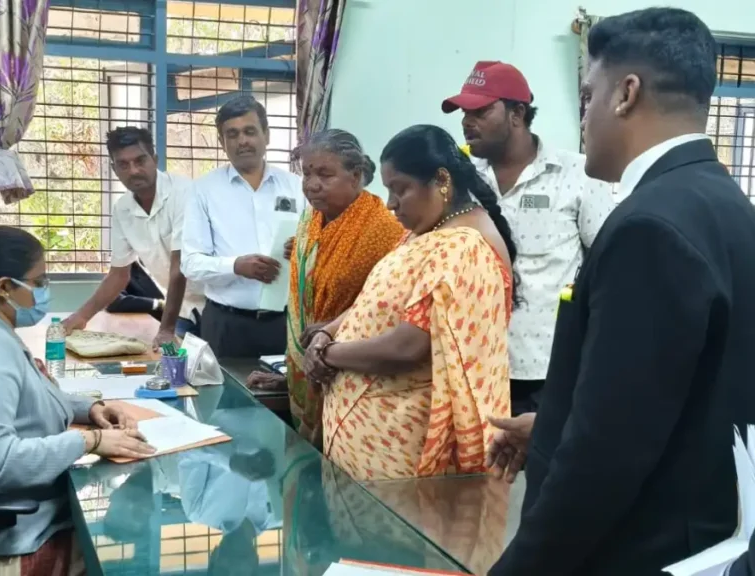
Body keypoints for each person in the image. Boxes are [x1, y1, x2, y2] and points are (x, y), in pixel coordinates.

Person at [488, 8, 755, 575]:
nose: (581, 117)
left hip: (642, 545)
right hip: (710, 526)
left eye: (588, 95)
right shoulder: (725, 203)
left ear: (625, 94)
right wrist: (558, 420)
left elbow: (605, 458)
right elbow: (685, 384)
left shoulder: (648, 226)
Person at [0, 226, 155, 576]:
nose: (46, 289)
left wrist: (90, 410)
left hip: (9, 518)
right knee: (121, 560)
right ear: (4, 287)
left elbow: (30, 393)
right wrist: (88, 440)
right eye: (40, 281)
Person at [303, 124, 516, 481]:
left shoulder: (464, 246)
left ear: (441, 181)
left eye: (400, 189)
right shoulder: (424, 232)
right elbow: (374, 302)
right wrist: (327, 332)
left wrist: (328, 355)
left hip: (405, 455)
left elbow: (410, 345)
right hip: (366, 454)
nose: (390, 203)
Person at [442, 60, 615, 415]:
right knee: (478, 471)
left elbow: (608, 263)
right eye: (463, 112)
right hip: (472, 362)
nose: (466, 122)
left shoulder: (577, 175)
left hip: (548, 369)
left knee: (547, 469)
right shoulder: (460, 183)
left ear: (516, 113)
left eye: (479, 111)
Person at [245, 129, 404, 449]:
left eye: (325, 174)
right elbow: (307, 300)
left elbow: (385, 309)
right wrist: (292, 373)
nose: (312, 184)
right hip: (309, 370)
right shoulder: (310, 221)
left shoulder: (384, 229)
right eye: (307, 174)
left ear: (356, 176)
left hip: (355, 379)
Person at [181, 94, 305, 358]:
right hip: (226, 324)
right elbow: (190, 263)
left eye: (250, 131)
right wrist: (236, 266)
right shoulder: (203, 190)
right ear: (222, 142)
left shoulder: (297, 187)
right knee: (225, 398)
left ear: (266, 135)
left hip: (286, 323)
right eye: (232, 134)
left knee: (285, 398)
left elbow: (320, 247)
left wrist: (304, 249)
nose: (243, 141)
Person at [63, 127, 205, 346]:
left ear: (154, 159)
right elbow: (119, 275)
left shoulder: (184, 193)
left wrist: (166, 329)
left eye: (140, 161)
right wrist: (81, 316)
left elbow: (180, 267)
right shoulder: (122, 210)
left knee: (216, 373)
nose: (133, 170)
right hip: (184, 308)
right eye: (123, 164)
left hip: (216, 305)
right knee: (181, 372)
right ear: (114, 168)